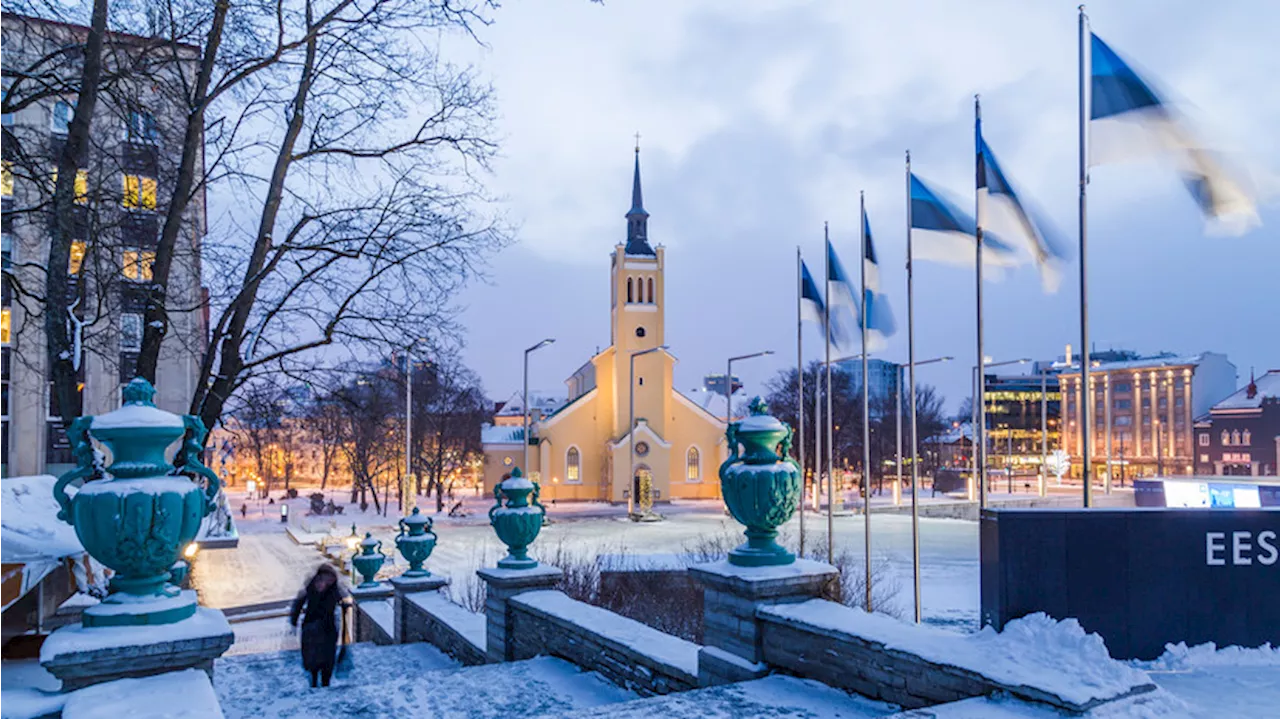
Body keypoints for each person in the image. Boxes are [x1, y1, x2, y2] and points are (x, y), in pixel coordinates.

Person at [289, 565, 348, 687]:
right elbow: (298, 604)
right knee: (312, 657)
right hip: (311, 628)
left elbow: (344, 598)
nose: (323, 583)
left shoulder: (334, 591)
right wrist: (294, 621)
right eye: (321, 580)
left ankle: (325, 681)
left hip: (328, 629)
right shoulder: (309, 589)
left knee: (327, 657)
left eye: (328, 580)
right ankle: (314, 679)